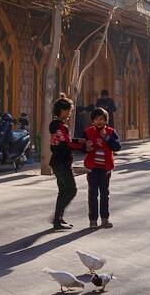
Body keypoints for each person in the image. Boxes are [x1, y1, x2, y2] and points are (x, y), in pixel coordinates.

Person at [49, 96, 86, 230]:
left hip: (57, 161)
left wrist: (78, 141)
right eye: (69, 110)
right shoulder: (60, 126)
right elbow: (67, 144)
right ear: (63, 111)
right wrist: (83, 146)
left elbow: (66, 141)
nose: (70, 113)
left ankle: (58, 219)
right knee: (71, 190)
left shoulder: (56, 126)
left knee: (63, 191)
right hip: (62, 162)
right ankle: (57, 218)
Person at [84, 107, 121, 229]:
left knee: (104, 194)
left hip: (105, 168)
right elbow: (81, 147)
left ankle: (105, 219)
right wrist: (86, 147)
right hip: (92, 168)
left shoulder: (110, 132)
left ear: (106, 120)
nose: (98, 121)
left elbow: (117, 147)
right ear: (92, 121)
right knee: (93, 194)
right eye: (96, 119)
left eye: (101, 119)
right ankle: (93, 220)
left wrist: (107, 138)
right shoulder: (88, 132)